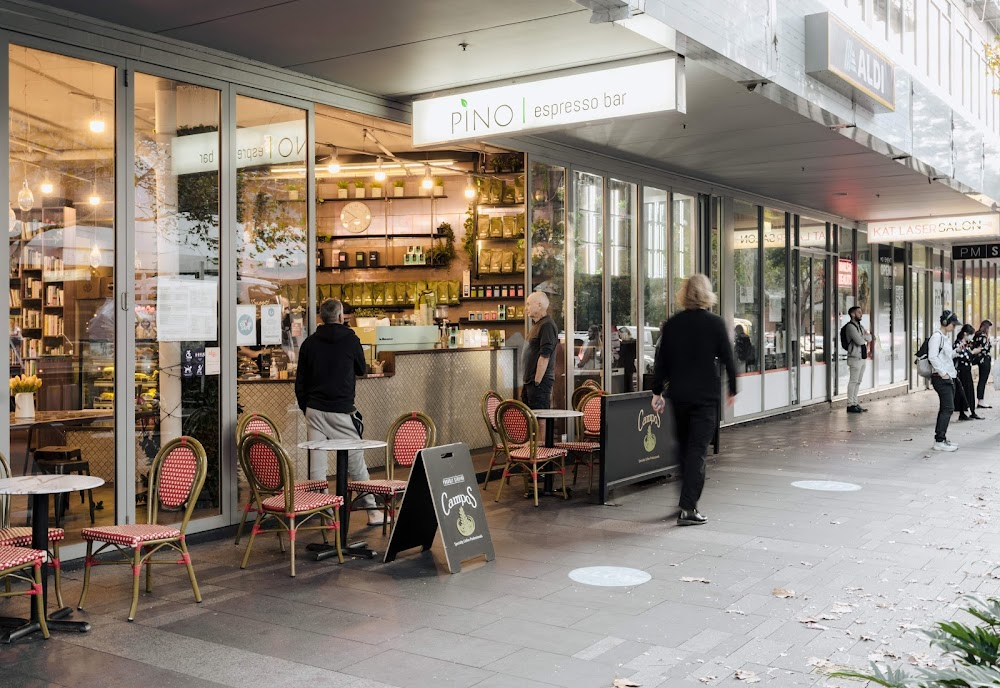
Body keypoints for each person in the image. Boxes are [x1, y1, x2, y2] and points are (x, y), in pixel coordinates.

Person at [651, 274, 737, 527]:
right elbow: (728, 358)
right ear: (706, 294)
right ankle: (688, 508)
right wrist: (733, 387)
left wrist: (657, 392)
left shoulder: (673, 324)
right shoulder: (715, 323)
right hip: (705, 397)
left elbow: (661, 361)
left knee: (684, 448)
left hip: (680, 396)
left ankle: (684, 500)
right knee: (698, 451)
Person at [295, 299, 382, 525]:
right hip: (341, 410)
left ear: (321, 317)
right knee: (356, 463)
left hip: (314, 410)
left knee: (317, 467)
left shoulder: (309, 343)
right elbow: (362, 369)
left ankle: (325, 516)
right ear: (341, 315)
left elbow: (300, 383)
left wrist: (307, 407)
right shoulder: (351, 340)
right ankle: (372, 511)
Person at [928, 310, 960, 452]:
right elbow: (932, 357)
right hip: (941, 378)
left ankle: (941, 438)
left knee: (946, 408)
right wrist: (943, 373)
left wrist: (957, 351)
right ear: (946, 323)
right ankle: (939, 441)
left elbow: (946, 357)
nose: (954, 327)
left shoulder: (944, 338)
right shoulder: (936, 337)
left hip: (948, 377)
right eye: (953, 324)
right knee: (948, 408)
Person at [521, 290, 558, 409]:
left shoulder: (547, 325)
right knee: (530, 419)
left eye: (528, 304)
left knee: (540, 419)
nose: (526, 308)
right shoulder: (537, 324)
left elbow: (545, 355)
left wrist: (537, 382)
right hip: (530, 382)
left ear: (539, 305)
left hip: (539, 383)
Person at [843, 306, 873, 413]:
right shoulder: (850, 327)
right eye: (859, 312)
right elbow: (860, 341)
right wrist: (864, 336)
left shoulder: (860, 326)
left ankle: (855, 403)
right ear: (852, 314)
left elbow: (869, 337)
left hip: (862, 358)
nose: (861, 314)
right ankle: (850, 404)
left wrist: (864, 336)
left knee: (858, 381)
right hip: (854, 358)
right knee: (853, 381)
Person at [953, 324, 983, 421]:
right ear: (965, 333)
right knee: (963, 391)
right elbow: (962, 356)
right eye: (970, 334)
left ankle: (972, 411)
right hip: (961, 370)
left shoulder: (966, 343)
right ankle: (963, 412)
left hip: (967, 369)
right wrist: (973, 352)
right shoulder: (958, 343)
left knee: (969, 391)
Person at [972, 320, 993, 408]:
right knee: (983, 380)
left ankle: (980, 400)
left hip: (980, 360)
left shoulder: (977, 335)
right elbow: (984, 348)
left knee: (981, 380)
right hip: (984, 360)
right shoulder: (983, 336)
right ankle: (981, 400)